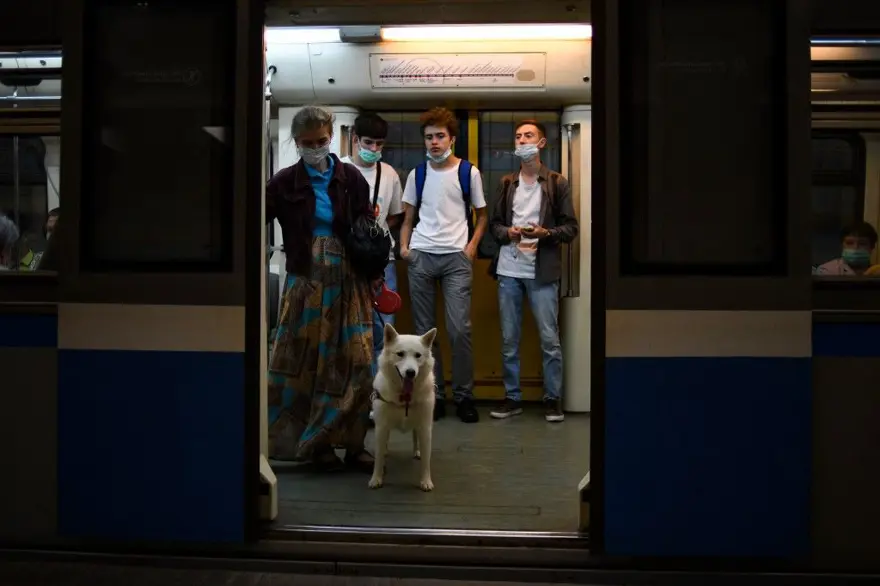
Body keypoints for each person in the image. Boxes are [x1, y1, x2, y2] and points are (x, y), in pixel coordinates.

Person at [265, 105, 380, 473]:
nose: (316, 148)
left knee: (357, 360)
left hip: (350, 275)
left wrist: (374, 272)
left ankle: (353, 440)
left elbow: (365, 226)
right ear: (296, 143)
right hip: (306, 277)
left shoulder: (351, 178)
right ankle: (316, 443)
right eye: (307, 143)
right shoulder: (283, 183)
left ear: (331, 138)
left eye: (322, 141)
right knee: (305, 363)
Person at [399, 106, 488, 423]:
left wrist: (472, 246)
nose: (434, 142)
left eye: (439, 136)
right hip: (421, 256)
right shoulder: (417, 174)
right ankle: (430, 397)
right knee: (423, 336)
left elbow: (482, 215)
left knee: (458, 329)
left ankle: (464, 396)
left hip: (455, 257)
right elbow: (408, 217)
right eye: (428, 137)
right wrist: (405, 248)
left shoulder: (468, 172)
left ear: (452, 138)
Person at [487, 119, 579, 423]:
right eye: (518, 136)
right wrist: (508, 233)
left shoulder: (556, 182)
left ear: (541, 144)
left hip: (542, 271)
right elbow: (494, 226)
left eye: (529, 136)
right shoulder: (506, 183)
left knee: (549, 339)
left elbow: (570, 228)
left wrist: (544, 233)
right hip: (509, 270)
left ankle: (552, 399)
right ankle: (512, 398)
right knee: (509, 339)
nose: (522, 140)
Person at [340, 112, 404, 360]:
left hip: (381, 259)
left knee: (384, 326)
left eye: (379, 144)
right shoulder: (339, 169)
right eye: (368, 142)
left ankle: (380, 390)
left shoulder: (389, 174)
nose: (373, 148)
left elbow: (396, 215)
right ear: (355, 139)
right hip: (347, 256)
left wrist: (372, 236)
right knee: (348, 320)